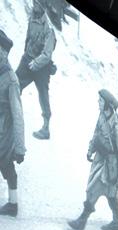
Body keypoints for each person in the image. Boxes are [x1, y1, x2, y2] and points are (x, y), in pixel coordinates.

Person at [67, 89, 118, 230]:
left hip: (110, 165)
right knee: (111, 194)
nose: (98, 103)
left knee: (93, 189)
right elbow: (96, 133)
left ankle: (82, 220)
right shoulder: (101, 116)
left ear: (107, 104)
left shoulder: (117, 126)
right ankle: (117, 221)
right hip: (99, 159)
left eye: (100, 101)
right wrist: (90, 149)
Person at [16, 0, 55, 140]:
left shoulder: (49, 28)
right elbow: (28, 39)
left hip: (42, 67)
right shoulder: (32, 17)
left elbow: (47, 54)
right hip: (28, 59)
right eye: (34, 2)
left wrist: (35, 64)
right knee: (14, 85)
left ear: (43, 6)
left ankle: (46, 129)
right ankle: (6, 113)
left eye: (37, 3)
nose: (34, 5)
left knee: (43, 96)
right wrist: (25, 56)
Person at [0, 29, 26, 217]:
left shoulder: (11, 80)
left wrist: (20, 147)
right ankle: (13, 204)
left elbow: (18, 115)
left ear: (3, 52)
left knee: (6, 164)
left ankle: (13, 204)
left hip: (4, 132)